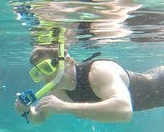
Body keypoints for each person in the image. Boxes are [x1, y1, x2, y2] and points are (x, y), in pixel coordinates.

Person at [14, 46, 164, 124]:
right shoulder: (58, 93)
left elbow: (124, 111)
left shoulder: (100, 70)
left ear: (67, 62)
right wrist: (28, 112)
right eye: (38, 73)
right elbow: (40, 118)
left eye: (47, 68)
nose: (45, 78)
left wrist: (65, 107)